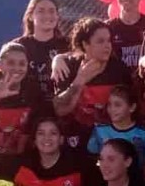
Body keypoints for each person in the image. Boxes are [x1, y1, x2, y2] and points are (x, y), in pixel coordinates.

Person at [53, 17, 135, 150]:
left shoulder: (119, 69)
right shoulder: (68, 66)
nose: (107, 45)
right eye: (100, 41)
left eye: (109, 40)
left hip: (112, 143)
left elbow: (130, 110)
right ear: (85, 44)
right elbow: (60, 110)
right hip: (76, 142)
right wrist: (80, 80)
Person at [87, 85, 145, 175]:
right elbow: (92, 159)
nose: (112, 109)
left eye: (117, 105)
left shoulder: (144, 134)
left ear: (132, 107)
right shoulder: (99, 131)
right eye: (109, 105)